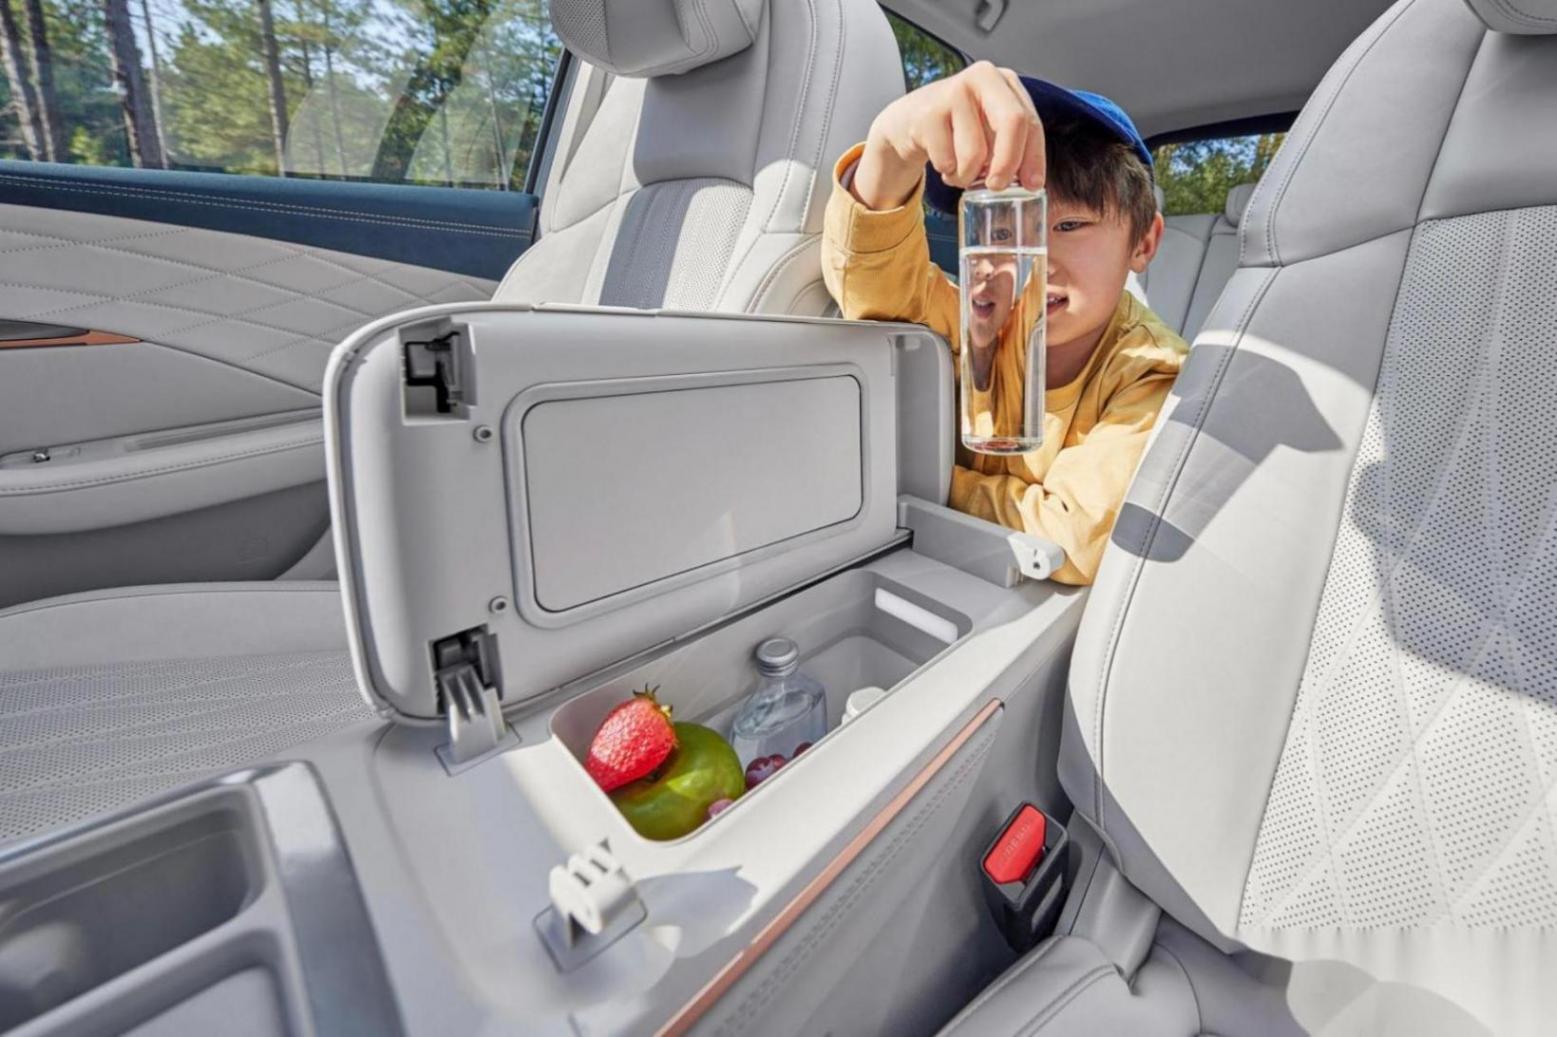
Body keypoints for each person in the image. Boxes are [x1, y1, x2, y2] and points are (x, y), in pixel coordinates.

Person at [823, 62, 1188, 586]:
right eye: (1000, 229)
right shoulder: (974, 313)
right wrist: (890, 146)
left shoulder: (1149, 370)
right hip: (923, 571)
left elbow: (1072, 538)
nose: (1029, 260)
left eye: (1068, 225)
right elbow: (871, 286)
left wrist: (911, 476)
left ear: (1143, 242)